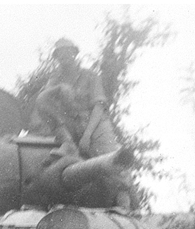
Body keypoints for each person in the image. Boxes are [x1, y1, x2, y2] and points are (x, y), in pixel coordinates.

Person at [36, 38, 133, 209]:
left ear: (74, 53)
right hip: (71, 126)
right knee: (42, 100)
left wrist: (87, 135)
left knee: (114, 161)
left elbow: (98, 106)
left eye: (67, 52)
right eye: (59, 54)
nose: (64, 56)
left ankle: (125, 204)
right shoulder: (56, 78)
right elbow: (42, 100)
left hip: (95, 124)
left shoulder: (89, 76)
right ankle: (68, 144)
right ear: (56, 58)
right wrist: (57, 89)